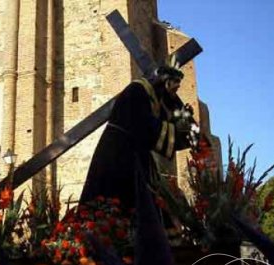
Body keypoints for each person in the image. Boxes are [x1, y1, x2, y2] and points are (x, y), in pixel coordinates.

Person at [79, 61, 193, 211]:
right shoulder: (137, 90)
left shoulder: (154, 98)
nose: (174, 91)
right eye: (173, 86)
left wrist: (183, 119)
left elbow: (182, 132)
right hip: (117, 157)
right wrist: (176, 128)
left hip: (136, 158)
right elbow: (145, 126)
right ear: (165, 81)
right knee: (112, 206)